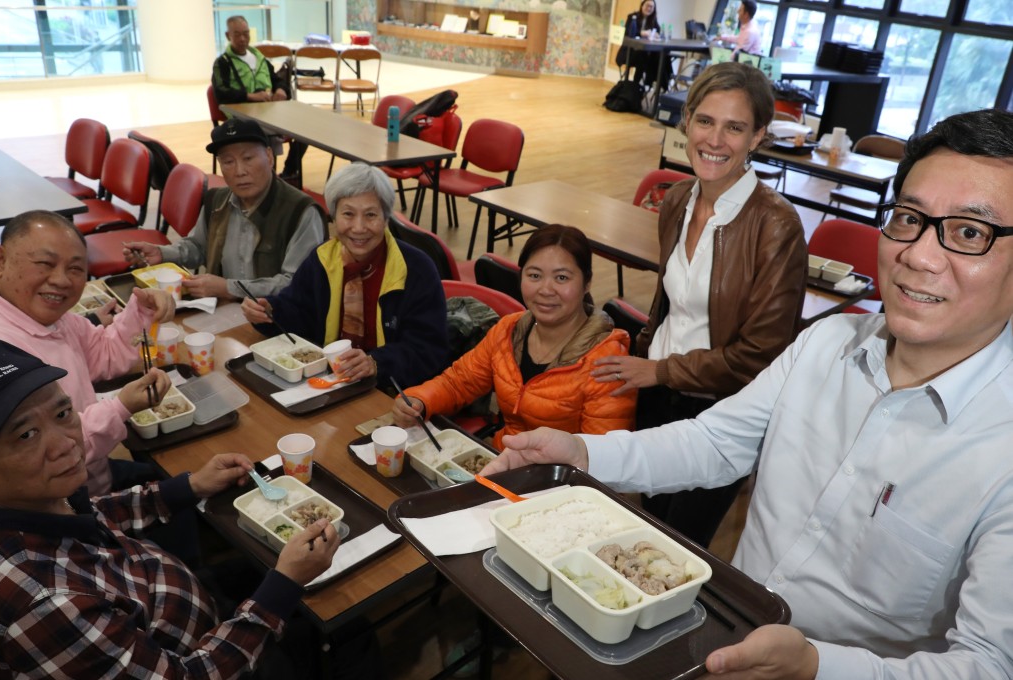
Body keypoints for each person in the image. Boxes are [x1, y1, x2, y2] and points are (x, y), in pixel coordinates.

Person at [485, 107, 1013, 679]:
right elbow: (716, 442)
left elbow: (988, 664)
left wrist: (817, 667)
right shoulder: (827, 343)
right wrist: (583, 453)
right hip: (717, 632)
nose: (918, 255)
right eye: (908, 217)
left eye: (969, 232)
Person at [0, 339, 339, 676]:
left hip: (173, 597)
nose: (66, 443)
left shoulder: (41, 499)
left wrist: (190, 486)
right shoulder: (45, 604)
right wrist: (283, 587)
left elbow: (98, 513)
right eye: (26, 435)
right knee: (340, 634)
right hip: (204, 657)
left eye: (63, 412)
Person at [592, 61, 807, 547]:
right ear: (686, 121)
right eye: (705, 121)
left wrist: (659, 371)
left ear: (757, 137)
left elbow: (760, 357)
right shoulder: (677, 199)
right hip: (657, 393)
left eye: (735, 128)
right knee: (647, 523)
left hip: (721, 413)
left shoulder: (777, 226)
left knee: (677, 543)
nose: (715, 139)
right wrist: (643, 360)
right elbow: (668, 305)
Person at [392, 225, 637, 449]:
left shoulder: (608, 361)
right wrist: (420, 400)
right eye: (534, 275)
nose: (545, 289)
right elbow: (459, 382)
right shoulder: (509, 330)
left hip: (560, 484)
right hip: (503, 459)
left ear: (587, 284)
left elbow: (602, 456)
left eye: (562, 278)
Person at [0, 210, 174, 496]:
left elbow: (103, 354)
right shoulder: (1, 352)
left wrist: (141, 310)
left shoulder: (50, 316)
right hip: (69, 507)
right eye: (45, 263)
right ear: (0, 261)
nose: (62, 280)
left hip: (96, 472)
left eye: (75, 269)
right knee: (183, 500)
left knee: (178, 477)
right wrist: (120, 407)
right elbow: (53, 453)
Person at [242, 162, 449, 390]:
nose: (359, 228)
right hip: (332, 382)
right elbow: (300, 314)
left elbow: (429, 349)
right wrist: (271, 313)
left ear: (386, 219)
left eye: (370, 215)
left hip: (393, 392)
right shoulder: (323, 260)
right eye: (348, 214)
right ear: (333, 217)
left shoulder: (416, 270)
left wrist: (377, 363)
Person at [123, 118, 326, 301]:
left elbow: (296, 283)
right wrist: (162, 253)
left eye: (248, 158)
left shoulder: (301, 212)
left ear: (269, 157)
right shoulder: (216, 200)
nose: (239, 171)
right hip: (222, 309)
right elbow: (199, 247)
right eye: (228, 162)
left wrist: (228, 288)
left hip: (276, 320)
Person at [211, 14, 307, 182]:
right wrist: (250, 96)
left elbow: (277, 79)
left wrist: (281, 90)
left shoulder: (259, 58)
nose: (243, 39)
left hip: (269, 113)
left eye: (246, 34)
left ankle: (288, 173)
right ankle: (267, 178)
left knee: (304, 130)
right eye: (237, 34)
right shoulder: (223, 63)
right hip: (241, 117)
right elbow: (221, 92)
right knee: (261, 133)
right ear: (228, 36)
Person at [616, 0, 661, 88]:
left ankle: (640, 86)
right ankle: (634, 86)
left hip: (643, 52)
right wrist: (641, 33)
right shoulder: (632, 17)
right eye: (647, 5)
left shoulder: (653, 20)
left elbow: (658, 31)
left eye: (652, 7)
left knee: (660, 58)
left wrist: (656, 35)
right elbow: (628, 32)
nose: (649, 8)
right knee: (644, 58)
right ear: (642, 5)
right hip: (629, 51)